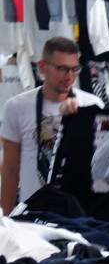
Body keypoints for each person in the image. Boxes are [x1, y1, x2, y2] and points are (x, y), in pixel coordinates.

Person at [0, 37, 103, 214]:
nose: (69, 76)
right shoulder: (16, 107)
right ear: (42, 67)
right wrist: (5, 220)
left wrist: (80, 121)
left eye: (74, 69)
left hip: (79, 211)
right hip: (32, 211)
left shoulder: (91, 104)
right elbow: (10, 168)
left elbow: (101, 165)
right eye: (62, 69)